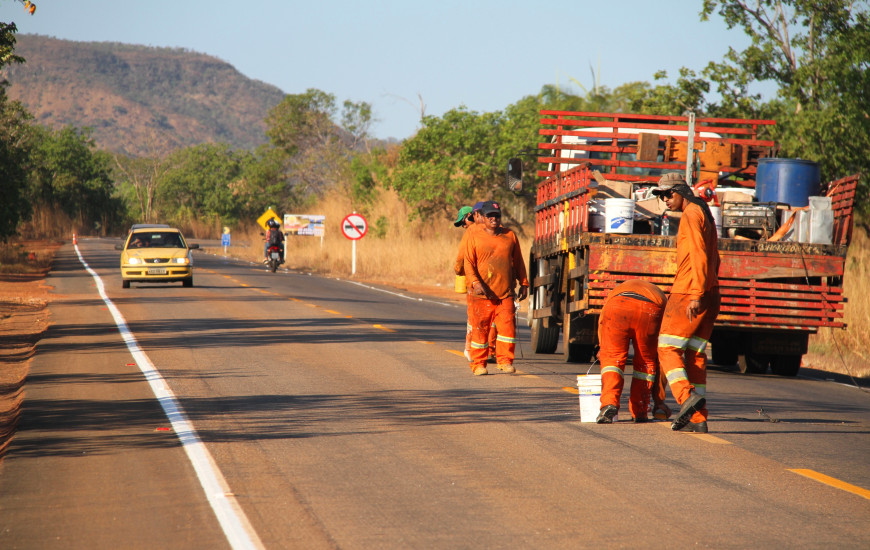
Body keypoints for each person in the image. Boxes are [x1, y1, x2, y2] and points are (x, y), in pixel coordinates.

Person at [651, 172, 721, 433]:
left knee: (667, 348)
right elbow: (715, 257)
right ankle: (699, 420)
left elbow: (700, 255)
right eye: (661, 196)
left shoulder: (692, 213)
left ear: (681, 192)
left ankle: (685, 397)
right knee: (695, 356)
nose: (665, 199)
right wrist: (706, 290)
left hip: (690, 292)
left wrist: (695, 294)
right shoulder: (704, 212)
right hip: (710, 292)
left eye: (668, 194)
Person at [463, 200, 529, 376]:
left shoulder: (510, 235)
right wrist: (476, 283)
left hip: (505, 293)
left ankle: (505, 361)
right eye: (490, 216)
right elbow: (468, 263)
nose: (494, 219)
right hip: (481, 294)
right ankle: (478, 364)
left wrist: (524, 283)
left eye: (497, 216)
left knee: (507, 329)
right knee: (480, 330)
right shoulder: (473, 234)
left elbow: (518, 261)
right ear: (482, 218)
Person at [596, 279, 667, 423]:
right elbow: (662, 356)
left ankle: (609, 404)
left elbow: (602, 321)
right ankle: (640, 410)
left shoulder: (615, 293)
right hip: (650, 308)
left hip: (617, 306)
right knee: (646, 363)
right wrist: (659, 401)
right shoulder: (662, 298)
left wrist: (601, 347)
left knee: (612, 359)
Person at [453, 205, 476, 361]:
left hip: (476, 283)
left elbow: (461, 258)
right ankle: (494, 351)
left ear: (470, 215)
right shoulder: (499, 230)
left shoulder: (471, 232)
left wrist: (458, 270)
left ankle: (471, 349)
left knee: (474, 317)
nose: (463, 226)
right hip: (497, 282)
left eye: (464, 221)